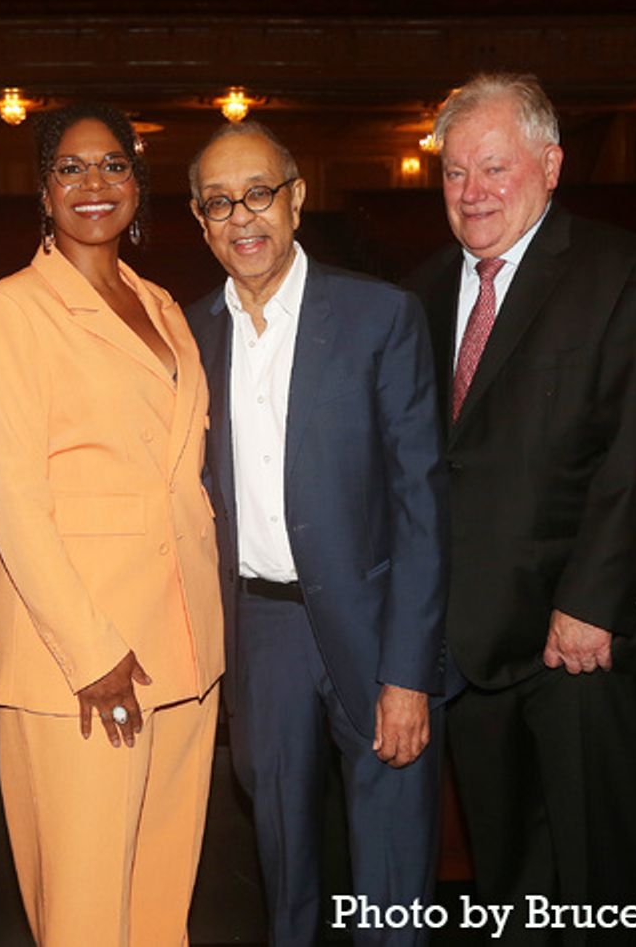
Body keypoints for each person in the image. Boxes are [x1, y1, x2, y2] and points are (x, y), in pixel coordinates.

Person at [405, 73, 636, 937]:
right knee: (505, 878)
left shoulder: (621, 273)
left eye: (494, 167)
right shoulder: (415, 293)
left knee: (599, 874)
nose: (473, 192)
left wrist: (591, 605)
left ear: (551, 164)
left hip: (577, 648)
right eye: (455, 173)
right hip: (469, 649)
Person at [0, 103, 222, 947]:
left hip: (182, 646)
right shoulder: (11, 311)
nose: (92, 184)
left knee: (159, 898)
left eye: (112, 165)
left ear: (138, 188)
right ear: (42, 191)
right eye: (69, 168)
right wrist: (91, 653)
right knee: (83, 907)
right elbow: (15, 501)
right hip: (85, 660)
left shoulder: (163, 306)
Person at [187, 120, 448, 947]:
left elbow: (422, 506)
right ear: (200, 223)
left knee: (390, 878)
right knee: (283, 865)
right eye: (220, 203)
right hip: (262, 632)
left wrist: (408, 670)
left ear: (297, 198)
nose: (243, 217)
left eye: (259, 193)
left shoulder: (380, 316)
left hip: (375, 631)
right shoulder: (187, 336)